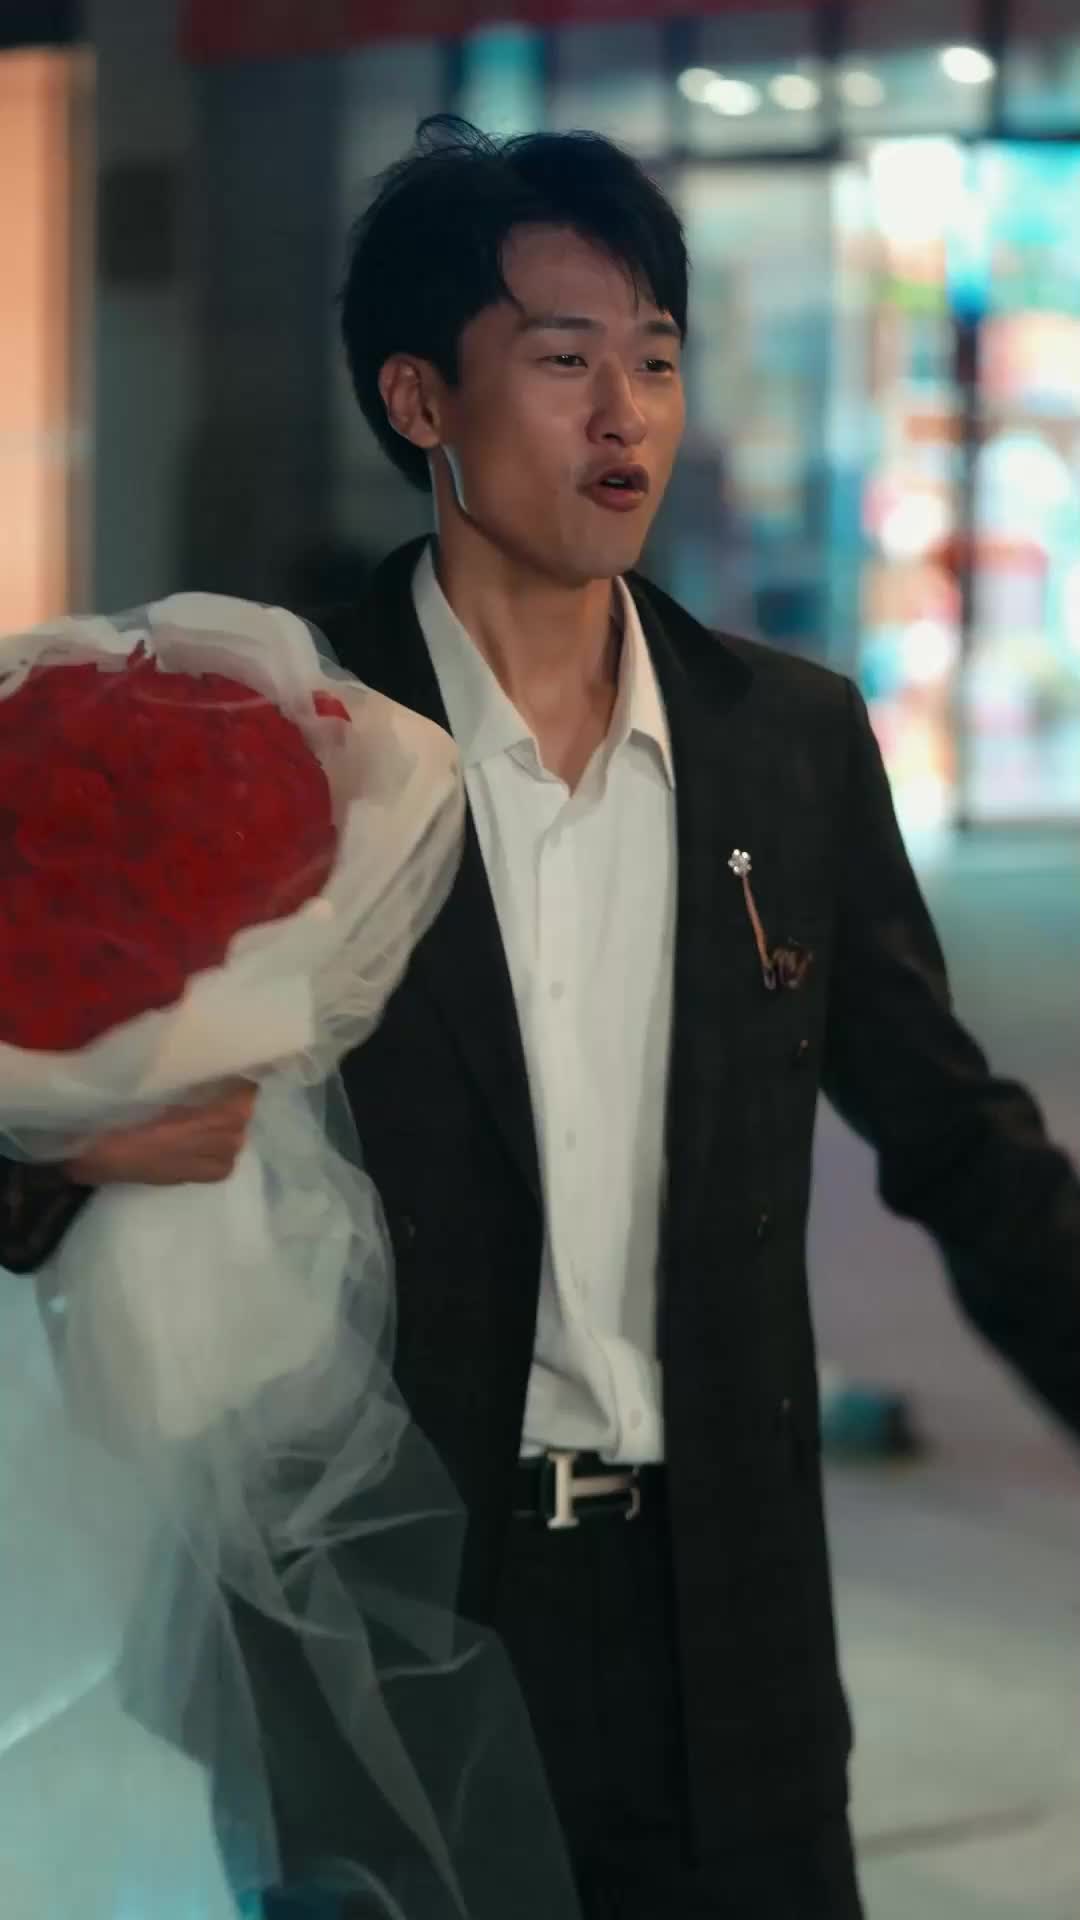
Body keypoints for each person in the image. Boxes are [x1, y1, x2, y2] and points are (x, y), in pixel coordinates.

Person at [4, 117, 1080, 1918]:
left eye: (655, 359)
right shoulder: (289, 746)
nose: (626, 416)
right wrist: (77, 1157)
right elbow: (43, 1095)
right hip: (395, 1613)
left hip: (726, 1636)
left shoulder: (786, 745)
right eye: (565, 361)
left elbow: (957, 1136)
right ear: (419, 398)